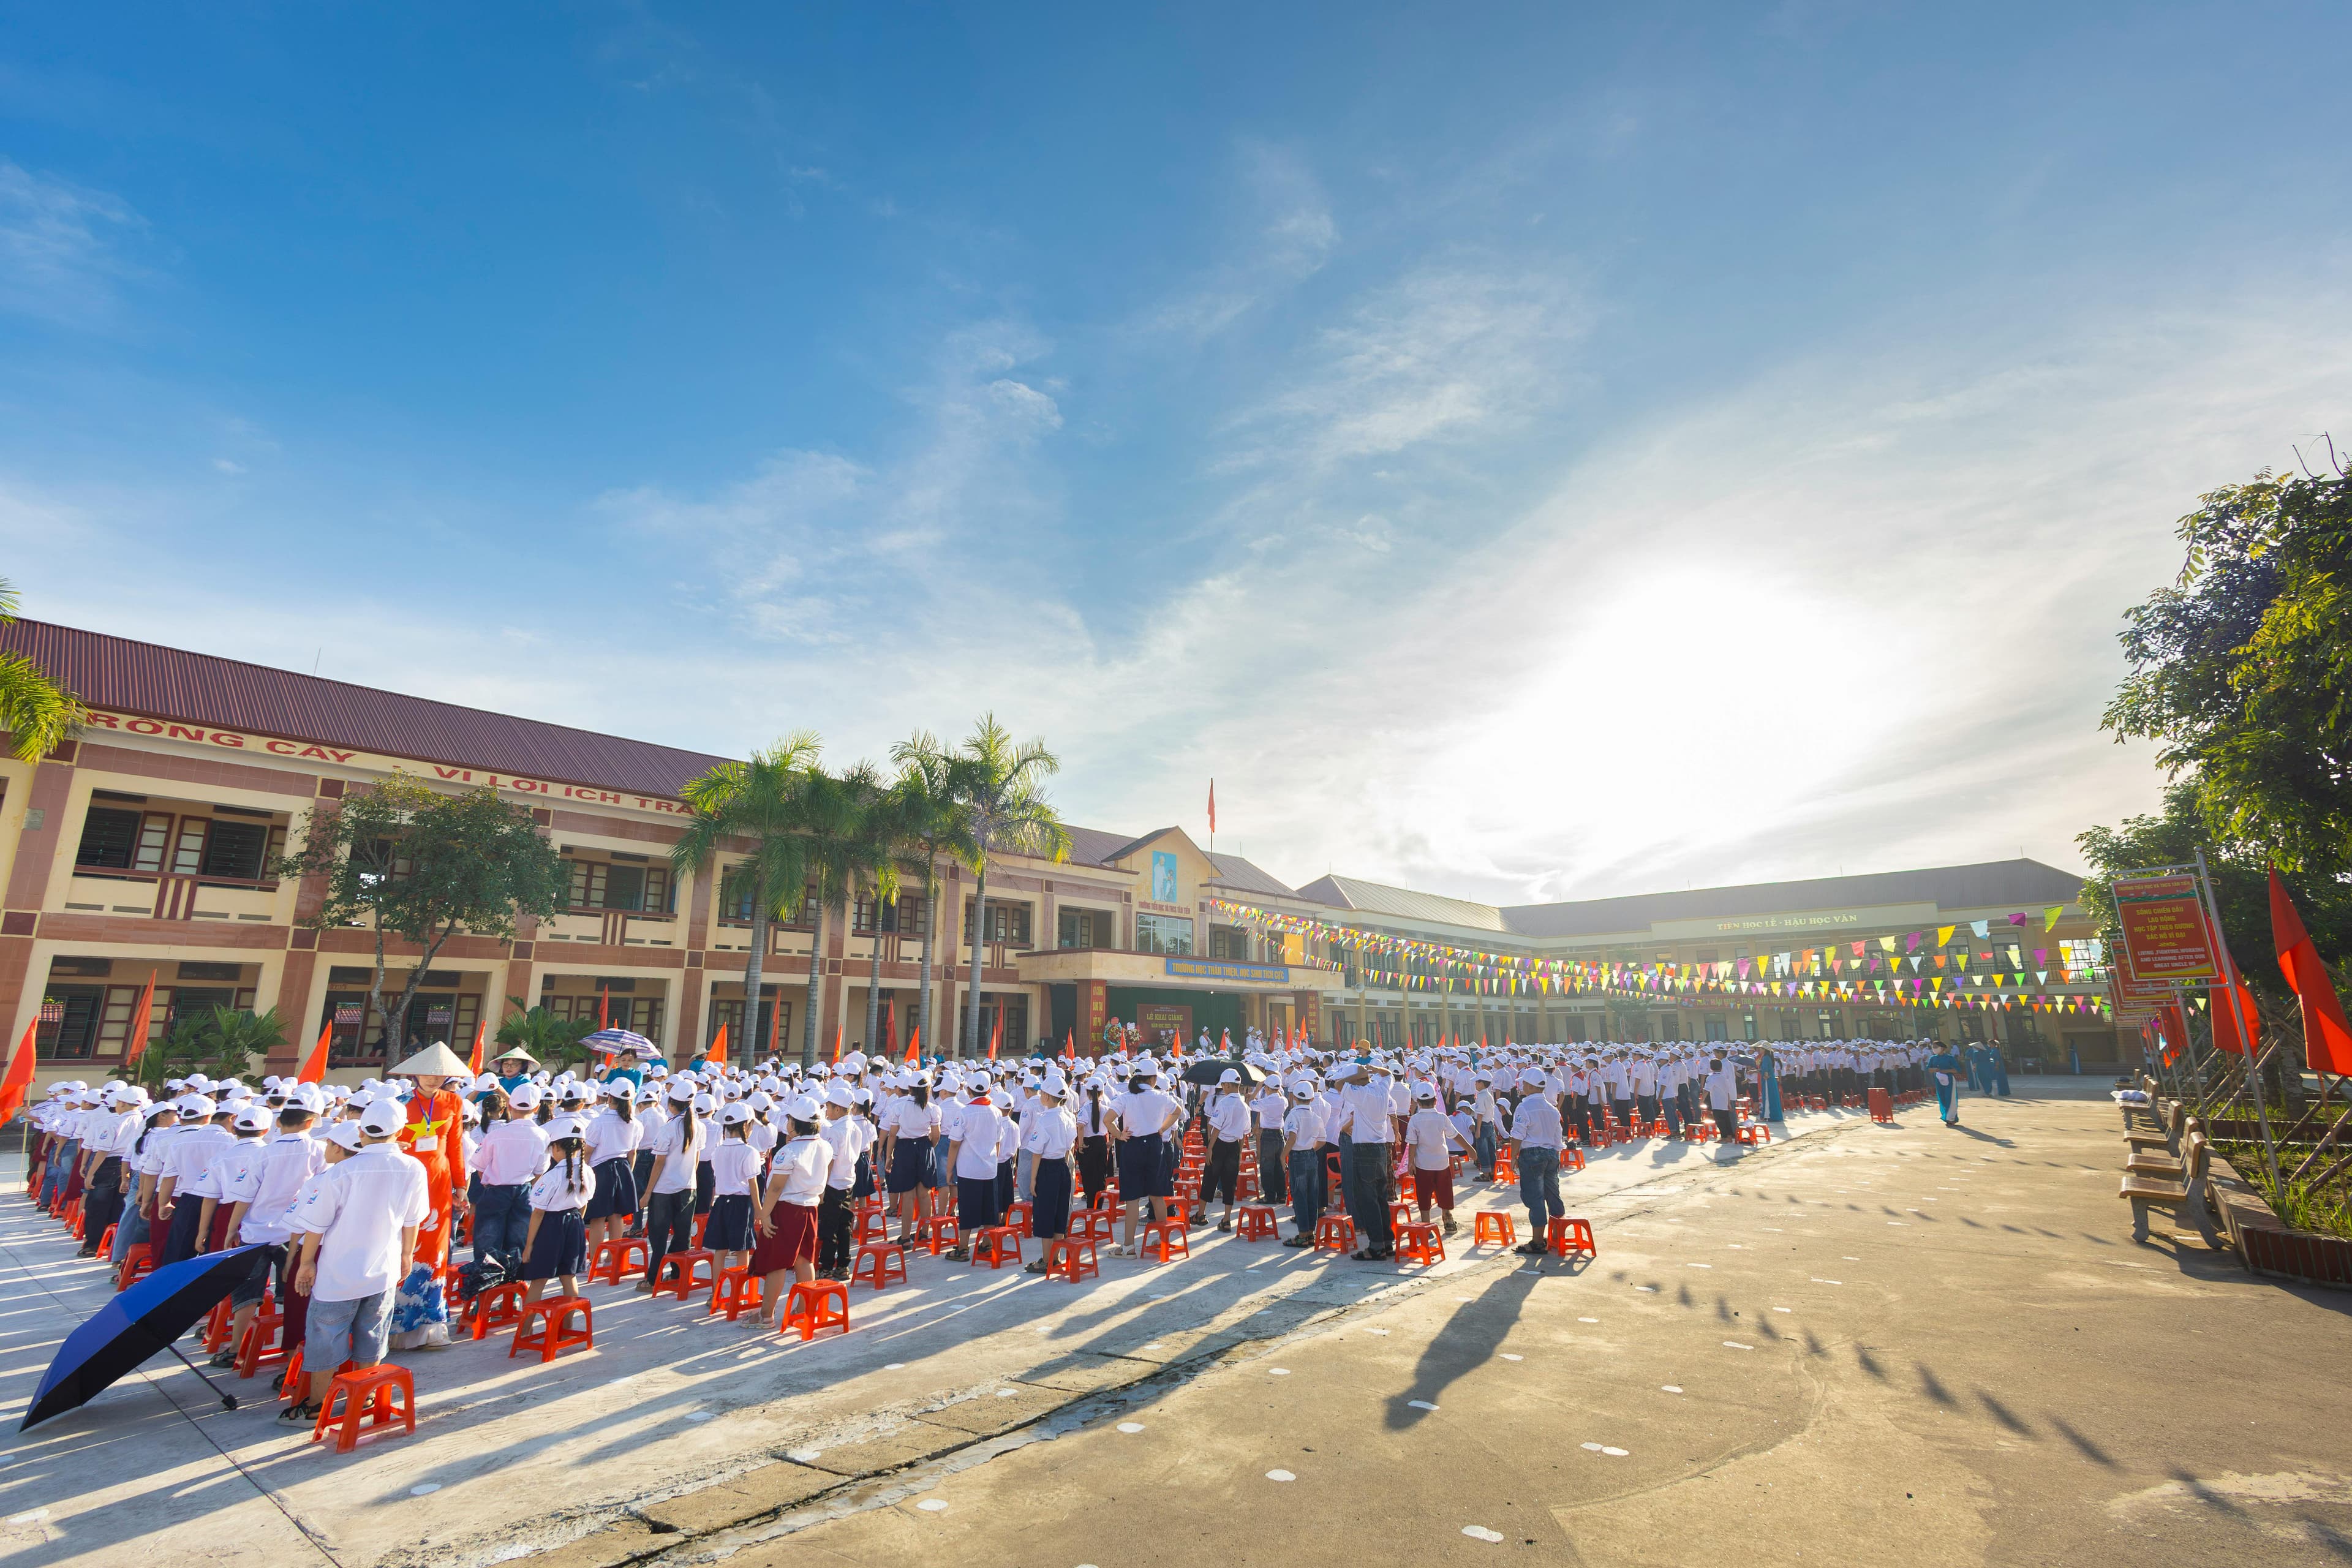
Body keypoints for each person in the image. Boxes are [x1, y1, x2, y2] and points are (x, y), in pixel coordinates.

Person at [282, 1101, 429, 1426]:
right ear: (400, 1131)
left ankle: (316, 1406)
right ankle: (366, 1396)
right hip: (384, 1268)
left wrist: (306, 1264)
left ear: (361, 1132)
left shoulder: (339, 1173)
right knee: (372, 1334)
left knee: (326, 1336)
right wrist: (407, 1255)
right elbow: (413, 1219)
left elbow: (316, 1226)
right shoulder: (413, 1168)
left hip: (337, 1273)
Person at [748, 1096, 831, 1325]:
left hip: (787, 1210)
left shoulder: (789, 1151)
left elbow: (776, 1187)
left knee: (777, 1263)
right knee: (805, 1260)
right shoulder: (825, 1146)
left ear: (794, 1124)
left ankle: (766, 1316)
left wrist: (764, 1214)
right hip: (810, 1208)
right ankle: (804, 1310)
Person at [472, 1084, 549, 1274]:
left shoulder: (496, 1135)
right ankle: (514, 1284)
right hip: (524, 1190)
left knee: (487, 1241)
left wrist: (490, 1184)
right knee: (518, 1241)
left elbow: (480, 1167)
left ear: (509, 1106)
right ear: (537, 1108)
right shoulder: (542, 1135)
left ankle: (485, 1283)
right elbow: (540, 1171)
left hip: (495, 1190)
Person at [518, 1114, 592, 1308]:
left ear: (556, 1147)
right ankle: (568, 1322)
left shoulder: (551, 1177)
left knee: (539, 1279)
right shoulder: (588, 1172)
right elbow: (584, 1204)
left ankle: (527, 1324)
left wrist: (529, 1245)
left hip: (551, 1226)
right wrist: (576, 1223)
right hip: (575, 1222)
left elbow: (538, 1213)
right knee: (569, 1276)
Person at [640, 1080, 706, 1291]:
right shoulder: (700, 1126)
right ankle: (678, 1275)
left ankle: (653, 1279)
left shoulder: (668, 1128)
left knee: (658, 1236)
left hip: (664, 1189)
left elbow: (659, 1163)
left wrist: (647, 1193)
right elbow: (696, 1158)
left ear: (671, 1104)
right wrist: (689, 1177)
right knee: (682, 1234)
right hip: (688, 1187)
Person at [1111, 1061, 1182, 1257]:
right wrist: (1163, 1128)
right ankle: (1163, 1239)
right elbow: (1177, 1112)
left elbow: (1108, 1119)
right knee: (1157, 1195)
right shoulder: (1161, 1096)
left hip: (1132, 1144)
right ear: (1153, 1079)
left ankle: (1128, 1246)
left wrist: (1119, 1135)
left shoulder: (1126, 1097)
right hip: (1154, 1144)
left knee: (1132, 1199)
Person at [1020, 1075, 1079, 1273]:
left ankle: (1046, 1260)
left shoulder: (1044, 1120)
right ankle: (1056, 1256)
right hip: (1063, 1166)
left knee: (1045, 1213)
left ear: (1046, 1096)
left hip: (1047, 1168)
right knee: (1060, 1212)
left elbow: (1037, 1153)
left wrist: (1033, 1180)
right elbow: (1070, 1147)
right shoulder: (1069, 1117)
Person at [582, 1079, 643, 1260]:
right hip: (623, 1168)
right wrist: (628, 1172)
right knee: (617, 1216)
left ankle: (595, 1259)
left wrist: (583, 1174)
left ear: (610, 1098)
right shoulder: (635, 1123)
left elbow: (588, 1152)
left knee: (598, 1218)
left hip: (600, 1170)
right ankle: (613, 1258)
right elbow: (633, 1153)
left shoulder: (599, 1122)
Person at [1507, 1068, 1565, 1254]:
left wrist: (1513, 1156)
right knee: (1553, 1195)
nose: (1522, 1086)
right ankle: (1556, 1235)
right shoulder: (1552, 1109)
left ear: (1531, 1086)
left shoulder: (1524, 1107)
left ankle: (1538, 1242)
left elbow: (1518, 1134)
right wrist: (1555, 1154)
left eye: (1525, 1083)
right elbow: (1558, 1136)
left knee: (1535, 1197)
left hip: (1532, 1154)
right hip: (1551, 1153)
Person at [1404, 1083, 1474, 1235]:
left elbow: (1413, 1143)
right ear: (1436, 1101)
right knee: (1445, 1192)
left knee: (1424, 1194)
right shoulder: (1442, 1118)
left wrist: (1411, 1163)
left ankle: (1426, 1225)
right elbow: (1455, 1136)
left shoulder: (1414, 1120)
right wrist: (1470, 1149)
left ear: (1418, 1102)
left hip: (1423, 1164)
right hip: (1442, 1163)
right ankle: (1448, 1219)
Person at [705, 1104, 762, 1279]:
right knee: (742, 1249)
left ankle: (716, 1291)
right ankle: (740, 1291)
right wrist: (759, 1209)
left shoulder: (718, 1150)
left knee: (720, 1250)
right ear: (747, 1125)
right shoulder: (749, 1151)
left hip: (722, 1202)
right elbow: (753, 1183)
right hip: (741, 1204)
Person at [1202, 1069, 1251, 1232]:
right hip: (1234, 1146)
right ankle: (1227, 1219)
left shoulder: (1223, 1103)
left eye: (1223, 1085)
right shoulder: (1245, 1106)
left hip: (1219, 1145)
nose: (1222, 1088)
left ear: (1228, 1085)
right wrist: (1240, 1153)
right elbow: (1244, 1134)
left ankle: (1201, 1214)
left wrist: (1209, 1149)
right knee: (1230, 1183)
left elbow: (1215, 1129)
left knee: (1210, 1179)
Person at [1280, 1076, 1326, 1247]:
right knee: (1312, 1196)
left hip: (1298, 1157)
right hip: (1311, 1155)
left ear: (1295, 1098)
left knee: (1299, 1196)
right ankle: (1310, 1234)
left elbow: (1292, 1137)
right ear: (1312, 1099)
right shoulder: (1316, 1117)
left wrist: (1282, 1156)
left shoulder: (1293, 1115)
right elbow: (1322, 1140)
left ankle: (1302, 1235)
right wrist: (1310, 1149)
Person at [1926, 1044, 1966, 1126]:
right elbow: (1929, 1069)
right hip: (1938, 1079)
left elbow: (1957, 1069)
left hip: (1949, 1079)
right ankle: (1947, 1116)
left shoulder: (1949, 1058)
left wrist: (1947, 1071)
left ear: (1942, 1048)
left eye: (1936, 1047)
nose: (1934, 1049)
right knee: (1942, 1098)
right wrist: (1935, 1069)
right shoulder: (1933, 1058)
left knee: (1950, 1098)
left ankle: (1950, 1118)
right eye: (1933, 1047)